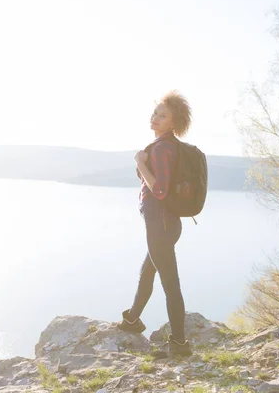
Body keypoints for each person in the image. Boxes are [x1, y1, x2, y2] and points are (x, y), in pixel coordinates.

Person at [117, 90, 192, 357]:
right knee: (148, 271)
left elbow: (159, 190)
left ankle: (180, 344)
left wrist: (139, 162)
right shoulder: (170, 146)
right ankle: (132, 320)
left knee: (170, 284)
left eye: (163, 115)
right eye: (155, 113)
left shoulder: (160, 148)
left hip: (159, 223)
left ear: (174, 122)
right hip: (168, 223)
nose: (156, 118)